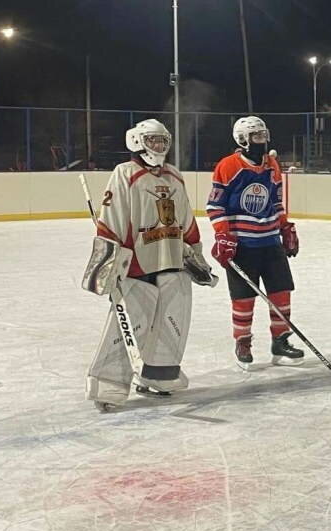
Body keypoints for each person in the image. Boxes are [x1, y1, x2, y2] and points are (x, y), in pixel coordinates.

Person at [84, 119, 213, 411]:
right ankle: (107, 383)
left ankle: (159, 375)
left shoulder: (174, 175)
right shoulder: (125, 173)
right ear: (137, 141)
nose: (159, 146)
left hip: (172, 259)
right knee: (131, 323)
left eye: (163, 140)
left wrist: (195, 252)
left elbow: (186, 218)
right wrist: (107, 263)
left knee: (173, 320)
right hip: (137, 264)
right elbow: (111, 219)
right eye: (153, 140)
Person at [207, 116, 304, 369]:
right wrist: (223, 235)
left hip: (270, 242)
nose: (262, 140)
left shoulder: (272, 165)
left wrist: (284, 226)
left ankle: (280, 342)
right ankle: (243, 342)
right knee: (243, 297)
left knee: (281, 292)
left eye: (263, 135)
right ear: (242, 139)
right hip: (242, 245)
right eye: (256, 136)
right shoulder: (228, 166)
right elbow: (215, 206)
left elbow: (276, 201)